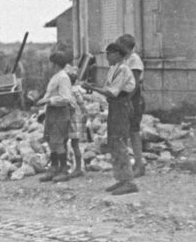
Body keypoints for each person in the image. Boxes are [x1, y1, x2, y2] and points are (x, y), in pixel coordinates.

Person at [81, 42, 137, 195]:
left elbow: (112, 92)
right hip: (114, 106)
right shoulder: (113, 69)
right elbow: (106, 88)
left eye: (109, 54)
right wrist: (94, 87)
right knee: (113, 141)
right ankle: (121, 179)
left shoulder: (124, 69)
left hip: (122, 105)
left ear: (118, 54)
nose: (107, 57)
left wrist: (93, 88)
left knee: (119, 141)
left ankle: (129, 181)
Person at [35, 49, 75, 182]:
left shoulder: (63, 77)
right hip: (52, 112)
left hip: (60, 112)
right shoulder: (56, 76)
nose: (49, 66)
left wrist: (49, 100)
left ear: (55, 64)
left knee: (58, 141)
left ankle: (64, 170)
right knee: (51, 140)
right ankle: (54, 168)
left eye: (51, 63)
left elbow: (66, 98)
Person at [116, 33, 146, 177]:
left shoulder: (134, 60)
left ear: (127, 47)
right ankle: (130, 164)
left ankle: (139, 165)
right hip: (124, 99)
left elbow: (133, 84)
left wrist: (127, 101)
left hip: (133, 99)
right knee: (124, 133)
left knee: (133, 132)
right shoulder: (126, 60)